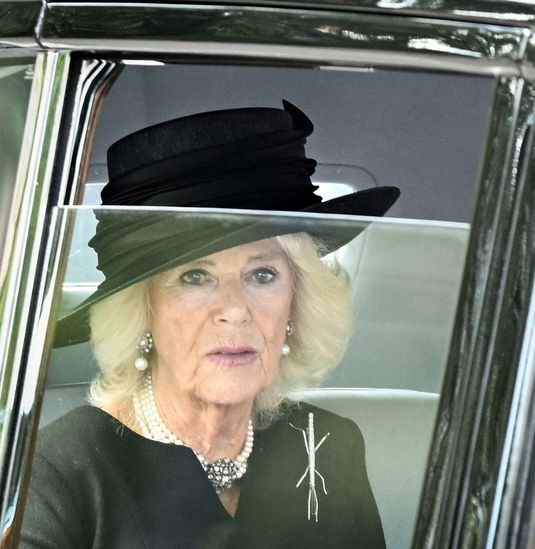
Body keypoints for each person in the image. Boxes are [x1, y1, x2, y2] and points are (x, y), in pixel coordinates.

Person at [20, 102, 398, 548]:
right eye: (195, 277)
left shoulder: (328, 445)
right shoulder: (60, 469)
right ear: (143, 309)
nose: (234, 309)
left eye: (262, 275)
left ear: (296, 303)